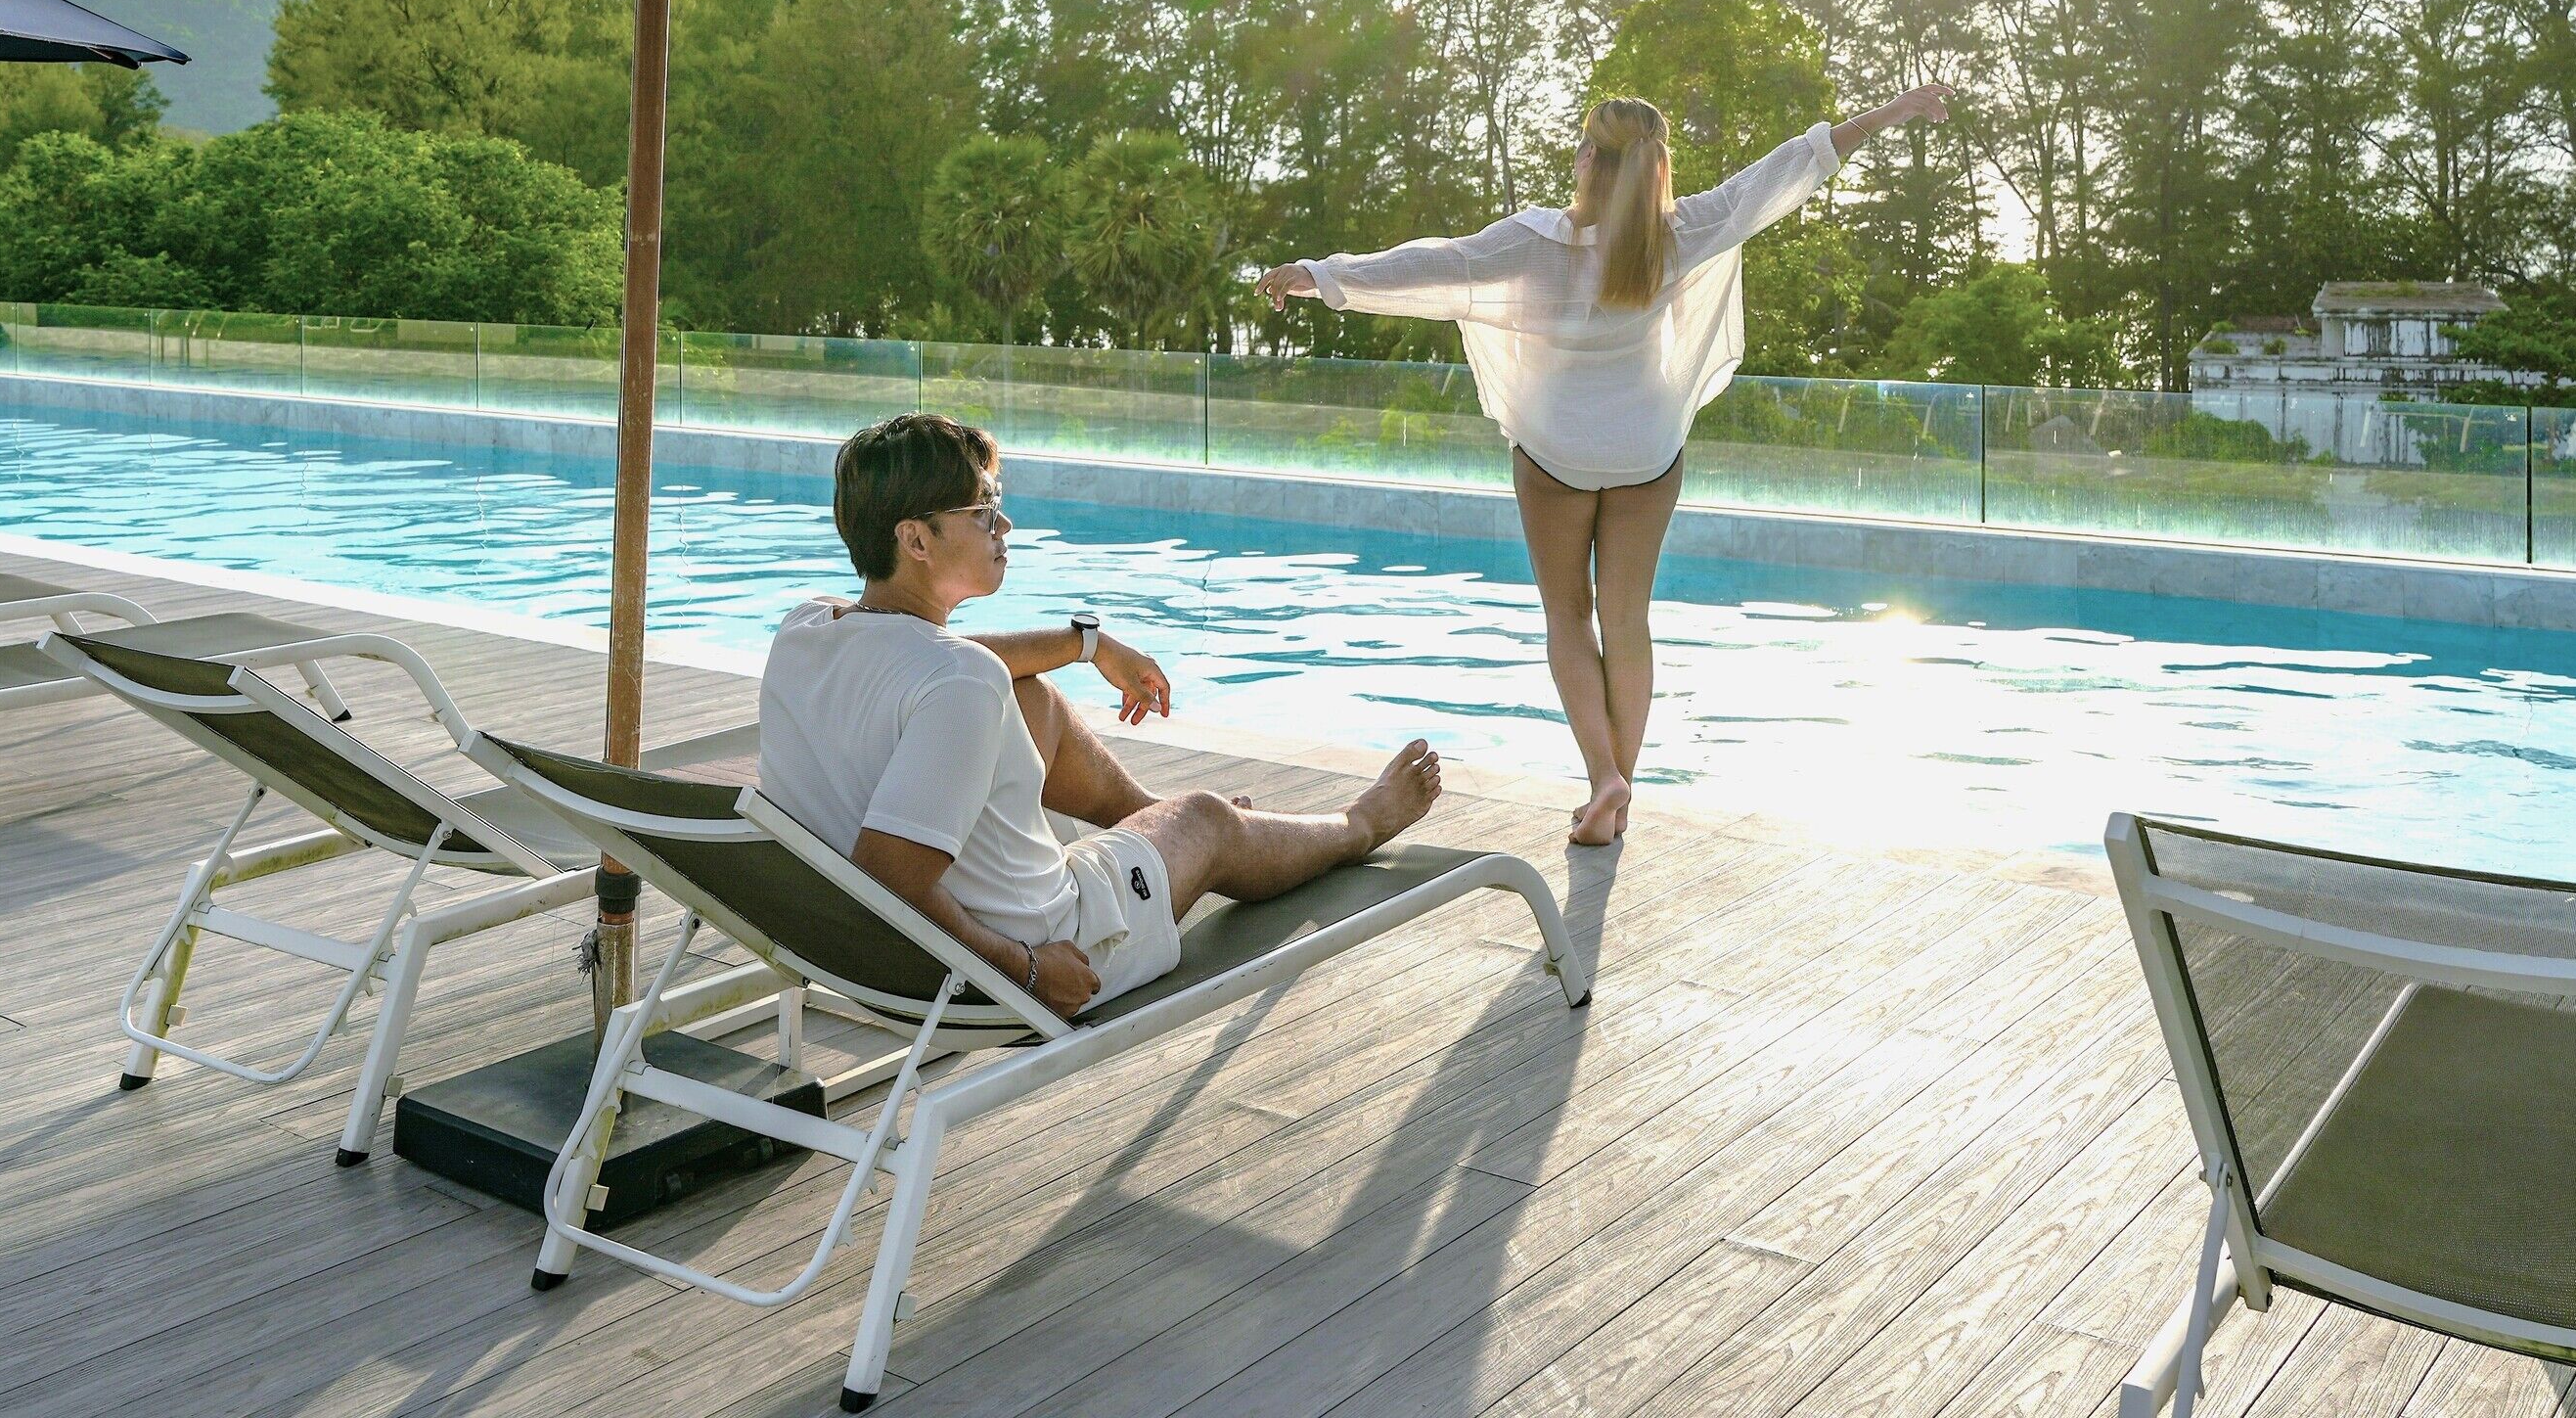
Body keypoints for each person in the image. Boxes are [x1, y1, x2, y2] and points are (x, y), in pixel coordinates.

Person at [1256, 84, 1952, 846]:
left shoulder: (1533, 241)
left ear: (1589, 159)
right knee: (1627, 621)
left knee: (1568, 617)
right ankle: (1620, 790)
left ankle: (1602, 777)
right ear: (1656, 170)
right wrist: (1892, 112)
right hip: (1645, 452)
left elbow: (1435, 266)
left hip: (1556, 451)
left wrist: (1321, 274)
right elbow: (1788, 169)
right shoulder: (1681, 231)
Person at [759, 413, 1442, 1016]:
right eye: (984, 510)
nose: (1005, 525)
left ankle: (1150, 823)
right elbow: (885, 881)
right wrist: (1027, 970)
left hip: (856, 958)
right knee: (1206, 817)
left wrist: (1086, 644)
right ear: (916, 540)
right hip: (1046, 944)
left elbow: (940, 660)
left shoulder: (806, 628)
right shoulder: (960, 682)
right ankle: (1356, 824)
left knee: (1031, 697)